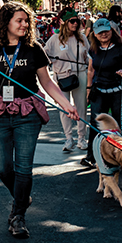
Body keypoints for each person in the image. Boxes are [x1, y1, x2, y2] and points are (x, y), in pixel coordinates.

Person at [0, 2, 79, 239]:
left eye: (26, 20)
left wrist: (67, 105)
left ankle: (18, 215)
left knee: (24, 168)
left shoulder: (33, 49)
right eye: (19, 20)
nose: (24, 24)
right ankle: (22, 197)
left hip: (27, 113)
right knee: (2, 168)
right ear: (5, 22)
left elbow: (47, 82)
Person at [82, 18, 122, 167]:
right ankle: (92, 155)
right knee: (95, 122)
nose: (104, 35)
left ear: (111, 31)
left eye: (106, 31)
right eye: (100, 32)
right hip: (99, 89)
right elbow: (90, 70)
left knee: (120, 122)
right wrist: (88, 90)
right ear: (94, 34)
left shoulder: (121, 47)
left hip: (119, 90)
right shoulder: (93, 49)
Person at [44, 9, 89, 152]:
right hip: (62, 76)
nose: (76, 24)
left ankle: (82, 138)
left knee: (81, 108)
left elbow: (88, 58)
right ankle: (69, 138)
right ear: (64, 23)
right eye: (72, 21)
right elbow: (44, 57)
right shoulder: (54, 39)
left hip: (80, 75)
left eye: (78, 21)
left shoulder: (82, 38)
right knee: (64, 109)